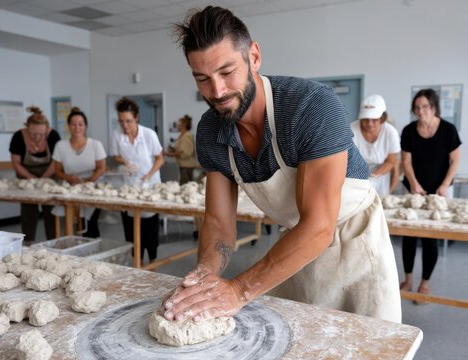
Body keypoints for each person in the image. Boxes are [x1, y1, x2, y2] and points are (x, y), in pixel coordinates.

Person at [161, 6, 401, 323]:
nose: (217, 92)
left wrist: (238, 291)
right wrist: (204, 276)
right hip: (294, 246)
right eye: (203, 79)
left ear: (254, 57)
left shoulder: (312, 107)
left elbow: (319, 226)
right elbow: (219, 225)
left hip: (355, 241)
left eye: (227, 72)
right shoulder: (210, 132)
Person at [399, 89, 461, 300]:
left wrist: (444, 185)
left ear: (434, 107)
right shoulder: (409, 131)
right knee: (409, 235)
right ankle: (407, 279)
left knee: (430, 238)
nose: (420, 111)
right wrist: (414, 184)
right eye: (417, 107)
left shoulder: (448, 130)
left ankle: (424, 284)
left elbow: (455, 161)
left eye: (424, 106)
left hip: (439, 191)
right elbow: (406, 162)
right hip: (414, 188)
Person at [110, 97, 164, 263]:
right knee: (132, 229)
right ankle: (137, 263)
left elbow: (160, 158)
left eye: (128, 121)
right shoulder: (117, 135)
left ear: (137, 118)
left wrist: (148, 175)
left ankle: (153, 264)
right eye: (121, 122)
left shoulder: (149, 134)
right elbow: (115, 156)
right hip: (129, 187)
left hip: (149, 186)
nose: (125, 126)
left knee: (149, 229)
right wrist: (125, 162)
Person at [9, 106, 61, 245]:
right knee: (28, 209)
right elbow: (16, 163)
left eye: (41, 134)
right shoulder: (18, 137)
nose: (37, 137)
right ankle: (28, 242)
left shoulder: (53, 136)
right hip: (26, 175)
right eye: (33, 134)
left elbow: (56, 162)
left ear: (47, 130)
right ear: (27, 128)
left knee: (51, 209)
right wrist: (30, 177)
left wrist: (44, 178)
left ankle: (54, 243)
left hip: (49, 174)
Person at [52, 107, 106, 238]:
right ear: (69, 126)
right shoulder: (61, 146)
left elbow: (101, 167)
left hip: (92, 188)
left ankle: (91, 253)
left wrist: (88, 181)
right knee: (69, 224)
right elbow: (57, 170)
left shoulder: (95, 145)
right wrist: (69, 178)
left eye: (80, 124)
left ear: (85, 126)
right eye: (73, 124)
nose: (77, 128)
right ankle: (72, 250)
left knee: (90, 225)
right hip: (70, 188)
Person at [351, 95, 401, 195]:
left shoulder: (390, 132)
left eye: (374, 120)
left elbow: (391, 162)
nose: (370, 124)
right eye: (366, 119)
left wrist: (372, 176)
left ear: (382, 118)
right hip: (355, 178)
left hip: (381, 178)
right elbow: (346, 160)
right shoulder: (351, 130)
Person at [165, 115, 199, 184]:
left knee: (185, 185)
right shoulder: (182, 135)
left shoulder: (186, 136)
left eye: (179, 123)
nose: (177, 125)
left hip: (187, 166)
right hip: (183, 165)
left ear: (184, 124)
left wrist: (169, 154)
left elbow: (185, 153)